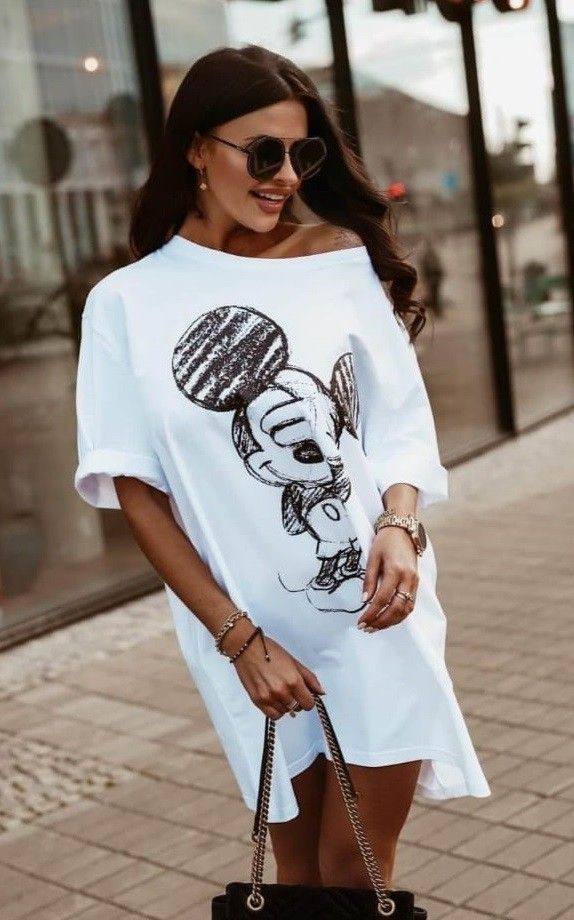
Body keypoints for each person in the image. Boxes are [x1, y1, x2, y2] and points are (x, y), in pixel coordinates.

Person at [73, 44, 490, 897]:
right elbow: (139, 496)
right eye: (265, 153)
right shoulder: (124, 304)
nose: (288, 177)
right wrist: (240, 641)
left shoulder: (339, 258)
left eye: (304, 154)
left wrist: (399, 524)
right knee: (294, 878)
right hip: (243, 633)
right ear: (198, 148)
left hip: (375, 610)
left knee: (355, 869)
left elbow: (399, 423)